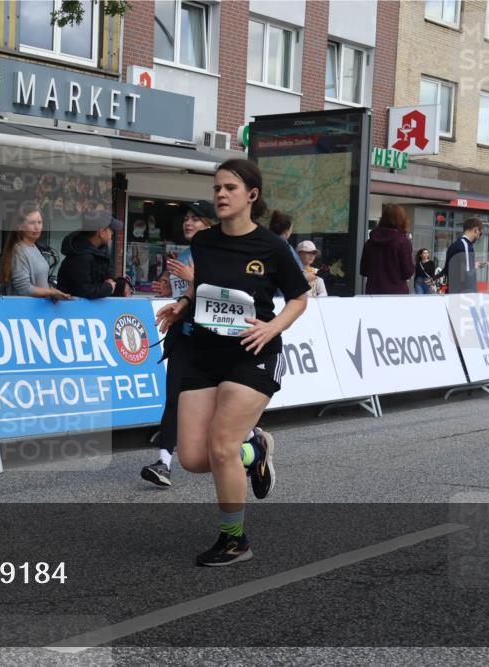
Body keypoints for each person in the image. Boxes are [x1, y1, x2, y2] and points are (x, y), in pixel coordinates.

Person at [156, 159, 309, 566]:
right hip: (205, 354)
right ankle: (254, 452)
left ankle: (234, 539)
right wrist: (183, 304)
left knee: (222, 445)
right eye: (217, 188)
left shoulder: (272, 247)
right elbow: (201, 287)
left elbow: (299, 297)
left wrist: (273, 327)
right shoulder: (204, 244)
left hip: (253, 355)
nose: (220, 195)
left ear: (251, 196)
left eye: (230, 188)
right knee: (191, 457)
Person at [142, 199, 277, 489]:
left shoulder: (218, 253)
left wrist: (195, 281)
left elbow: (234, 296)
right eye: (186, 218)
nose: (188, 223)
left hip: (217, 342)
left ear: (211, 224)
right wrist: (173, 292)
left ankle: (253, 444)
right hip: (185, 337)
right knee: (173, 398)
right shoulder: (183, 253)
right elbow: (185, 294)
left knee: (221, 411)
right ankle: (163, 462)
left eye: (196, 218)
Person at [0, 202, 70, 300]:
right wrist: (51, 292)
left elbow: (40, 284)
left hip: (39, 311)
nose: (37, 227)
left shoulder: (34, 247)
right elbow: (24, 289)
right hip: (25, 312)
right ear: (20, 226)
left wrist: (51, 292)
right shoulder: (19, 251)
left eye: (39, 222)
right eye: (32, 223)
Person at [57, 209, 130, 299]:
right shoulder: (81, 256)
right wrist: (108, 287)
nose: (112, 233)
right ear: (102, 232)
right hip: (75, 312)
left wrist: (120, 285)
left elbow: (103, 280)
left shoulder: (97, 253)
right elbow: (85, 291)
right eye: (110, 230)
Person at [359, 204, 414, 295]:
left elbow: (364, 270)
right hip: (396, 295)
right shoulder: (403, 242)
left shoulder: (370, 242)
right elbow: (408, 272)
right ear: (402, 220)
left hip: (373, 293)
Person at [445, 217, 486, 294]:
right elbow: (467, 273)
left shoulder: (454, 245)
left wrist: (474, 265)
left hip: (453, 291)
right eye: (480, 233)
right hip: (463, 294)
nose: (479, 236)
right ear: (476, 230)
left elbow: (449, 268)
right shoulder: (466, 245)